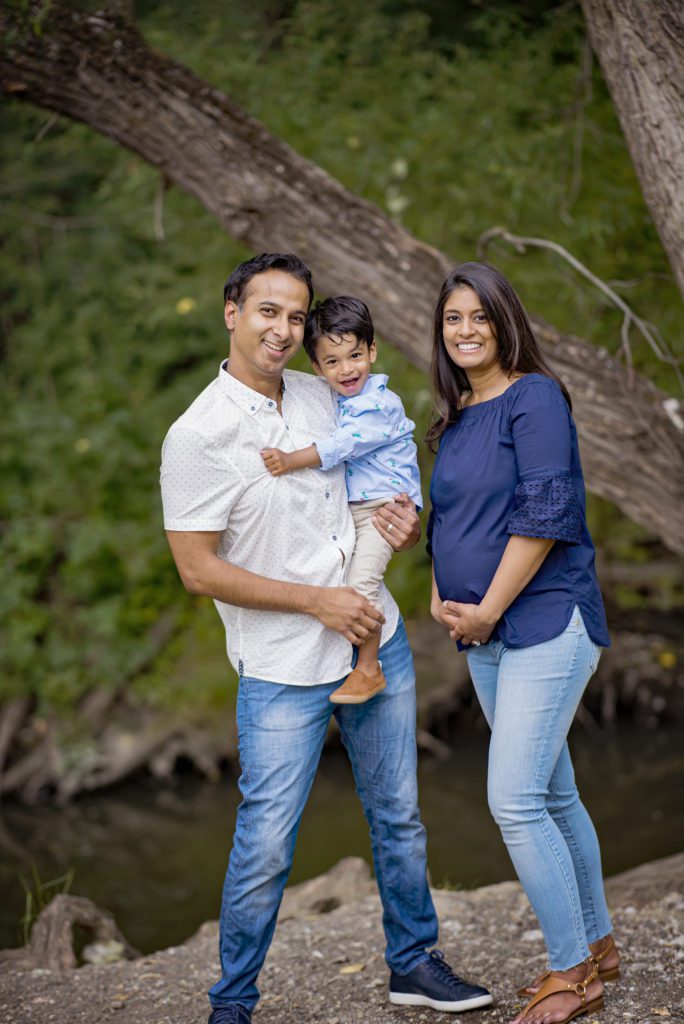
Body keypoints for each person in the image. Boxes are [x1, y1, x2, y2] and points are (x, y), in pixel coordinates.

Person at [160, 252, 493, 1024]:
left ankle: (413, 964)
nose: (283, 329)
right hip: (281, 667)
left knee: (399, 816)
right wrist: (319, 603)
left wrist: (402, 524)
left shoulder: (325, 394)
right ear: (231, 312)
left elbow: (376, 490)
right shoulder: (199, 435)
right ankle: (233, 1005)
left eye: (296, 316)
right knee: (266, 847)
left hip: (372, 640)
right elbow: (197, 570)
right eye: (267, 310)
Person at [426, 262, 619, 1024]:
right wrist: (440, 590)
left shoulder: (533, 397)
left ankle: (572, 975)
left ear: (506, 322)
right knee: (555, 794)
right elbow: (456, 520)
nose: (466, 330)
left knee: (513, 800)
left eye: (480, 315)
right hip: (486, 637)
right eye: (452, 319)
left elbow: (546, 512)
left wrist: (485, 608)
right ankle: (598, 943)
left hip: (545, 621)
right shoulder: (461, 412)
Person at [260, 294, 422, 704]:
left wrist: (291, 460)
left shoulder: (378, 405)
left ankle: (369, 669)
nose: (346, 369)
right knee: (347, 577)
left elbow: (342, 445)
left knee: (362, 585)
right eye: (332, 362)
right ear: (316, 368)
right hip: (359, 510)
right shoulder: (339, 400)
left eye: (355, 356)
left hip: (382, 510)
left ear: (372, 351)